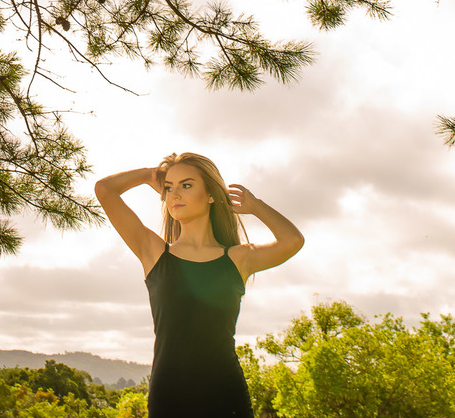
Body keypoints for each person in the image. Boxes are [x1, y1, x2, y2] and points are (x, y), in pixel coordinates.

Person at [95, 152, 305, 418]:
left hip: (227, 399)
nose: (175, 195)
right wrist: (150, 175)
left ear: (210, 195)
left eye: (186, 185)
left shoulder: (238, 259)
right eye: (169, 188)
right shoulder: (155, 253)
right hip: (169, 400)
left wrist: (256, 206)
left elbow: (292, 241)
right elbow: (105, 190)